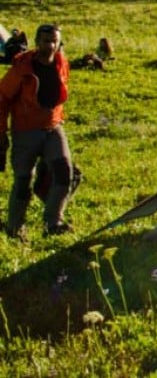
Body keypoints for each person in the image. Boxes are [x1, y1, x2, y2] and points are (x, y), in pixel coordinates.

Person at [0, 23, 75, 238]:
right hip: (26, 130)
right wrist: (1, 132)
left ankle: (53, 222)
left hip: (53, 126)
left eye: (54, 41)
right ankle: (15, 227)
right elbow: (2, 98)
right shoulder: (22, 68)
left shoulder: (61, 63)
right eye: (46, 41)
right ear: (37, 42)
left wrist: (57, 120)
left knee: (63, 171)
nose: (51, 45)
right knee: (23, 178)